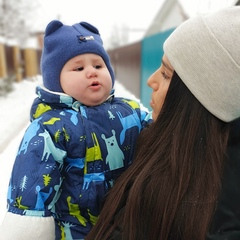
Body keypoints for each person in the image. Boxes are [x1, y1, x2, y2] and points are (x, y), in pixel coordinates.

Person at [85, 6, 240, 240]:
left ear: (199, 100)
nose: (151, 80)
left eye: (166, 75)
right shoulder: (171, 157)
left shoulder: (169, 200)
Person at [0, 20, 152, 239]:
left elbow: (161, 139)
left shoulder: (131, 112)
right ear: (56, 80)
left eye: (98, 66)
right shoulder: (50, 127)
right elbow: (31, 189)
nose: (91, 72)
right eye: (79, 68)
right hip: (75, 231)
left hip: (129, 225)